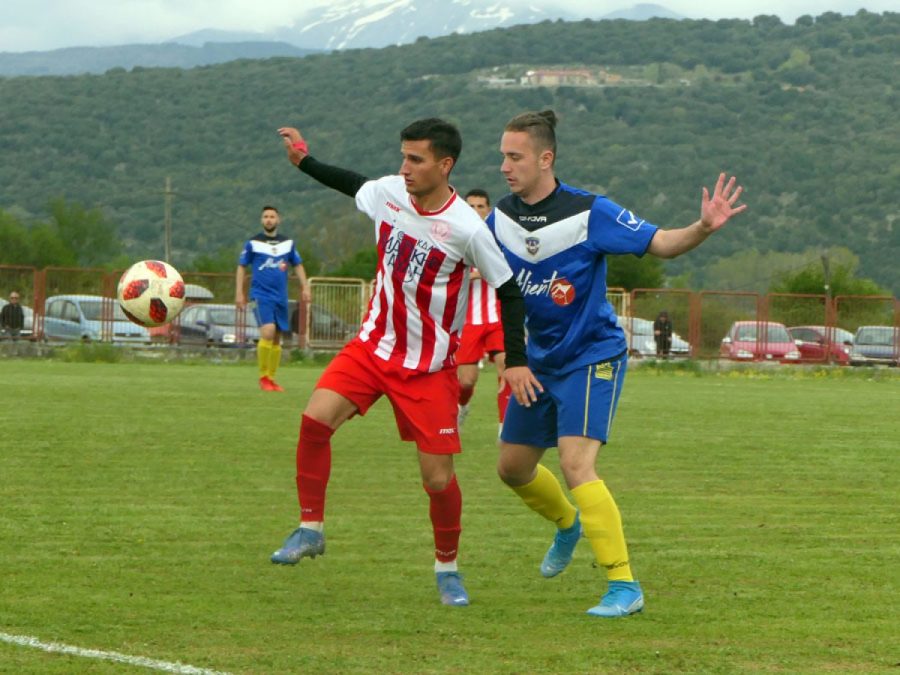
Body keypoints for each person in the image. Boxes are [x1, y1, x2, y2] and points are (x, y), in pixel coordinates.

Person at [270, 118, 539, 607]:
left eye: (415, 159)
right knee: (314, 420)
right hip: (371, 349)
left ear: (445, 164)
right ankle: (310, 528)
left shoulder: (467, 228)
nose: (404, 167)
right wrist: (303, 160)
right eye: (403, 156)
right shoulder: (391, 192)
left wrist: (515, 360)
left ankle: (448, 568)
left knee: (437, 480)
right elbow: (352, 182)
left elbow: (510, 292)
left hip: (429, 367)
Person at [488, 110, 746, 617]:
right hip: (538, 362)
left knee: (576, 463)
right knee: (511, 469)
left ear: (546, 158)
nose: (504, 166)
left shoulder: (591, 211)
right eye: (502, 155)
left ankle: (624, 587)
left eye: (514, 156)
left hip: (592, 355)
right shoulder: (501, 217)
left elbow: (663, 243)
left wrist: (703, 226)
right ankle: (568, 523)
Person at [236, 206, 311, 392]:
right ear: (262, 220)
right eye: (265, 217)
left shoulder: (288, 243)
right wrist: (239, 292)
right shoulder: (253, 243)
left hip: (280, 297)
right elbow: (241, 267)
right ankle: (263, 377)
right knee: (267, 332)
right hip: (260, 295)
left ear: (278, 220)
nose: (269, 219)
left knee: (277, 337)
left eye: (272, 216)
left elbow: (298, 265)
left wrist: (305, 286)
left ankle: (271, 378)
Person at [456, 189, 512, 432]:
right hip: (468, 320)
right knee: (466, 381)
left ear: (488, 211)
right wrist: (477, 273)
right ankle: (462, 405)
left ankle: (504, 427)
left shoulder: (499, 238)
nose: (476, 211)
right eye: (470, 207)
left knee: (506, 367)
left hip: (497, 317)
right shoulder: (455, 239)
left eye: (480, 207)